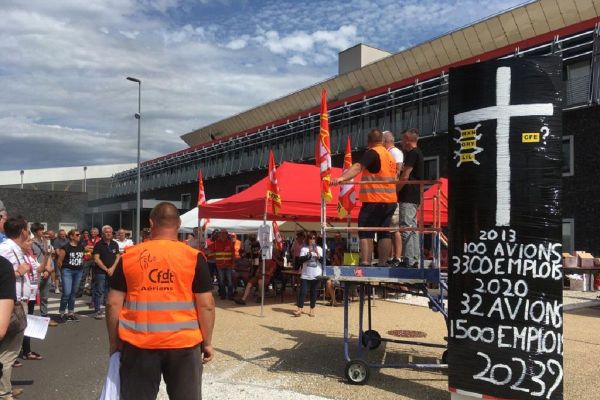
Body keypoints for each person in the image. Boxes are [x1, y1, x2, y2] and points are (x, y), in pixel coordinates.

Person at [106, 202, 215, 400]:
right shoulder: (194, 258)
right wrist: (207, 342)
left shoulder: (129, 257)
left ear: (151, 223)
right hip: (184, 344)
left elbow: (113, 303)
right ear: (179, 223)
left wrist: (114, 343)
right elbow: (206, 304)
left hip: (139, 344)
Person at [331, 128, 397, 266]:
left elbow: (357, 167)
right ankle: (383, 263)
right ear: (382, 140)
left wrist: (342, 178)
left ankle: (366, 261)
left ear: (369, 142)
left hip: (374, 199)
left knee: (365, 230)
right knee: (384, 232)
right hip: (390, 200)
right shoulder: (389, 156)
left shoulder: (373, 153)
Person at [0, 218, 31, 399]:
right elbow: (4, 274)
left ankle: (6, 387)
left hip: (16, 302)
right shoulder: (5, 248)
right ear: (22, 231)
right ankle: (3, 392)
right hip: (9, 304)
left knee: (10, 350)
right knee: (9, 351)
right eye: (27, 229)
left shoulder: (14, 248)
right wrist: (19, 272)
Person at [397, 128, 424, 268]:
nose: (401, 142)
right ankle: (414, 259)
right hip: (415, 195)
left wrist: (396, 189)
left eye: (402, 140)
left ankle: (409, 260)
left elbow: (406, 175)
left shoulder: (412, 154)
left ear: (408, 140)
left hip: (408, 195)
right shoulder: (418, 153)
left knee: (406, 227)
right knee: (412, 227)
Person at [19, 236, 45, 360]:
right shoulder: (19, 256)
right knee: (17, 324)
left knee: (27, 323)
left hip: (32, 293)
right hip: (22, 294)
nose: (31, 243)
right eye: (28, 241)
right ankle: (12, 354)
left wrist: (48, 256)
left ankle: (26, 351)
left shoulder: (30, 256)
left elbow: (41, 268)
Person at [383, 130, 404, 267]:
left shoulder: (395, 152)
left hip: (392, 195)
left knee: (395, 228)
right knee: (389, 228)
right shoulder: (388, 152)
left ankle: (397, 256)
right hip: (385, 194)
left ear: (386, 141)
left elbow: (397, 172)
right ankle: (391, 256)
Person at [29, 223, 57, 326]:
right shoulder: (30, 243)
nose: (43, 231)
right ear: (36, 231)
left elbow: (49, 255)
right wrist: (44, 268)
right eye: (41, 230)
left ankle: (44, 317)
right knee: (32, 297)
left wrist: (48, 269)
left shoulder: (47, 242)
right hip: (36, 272)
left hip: (46, 271)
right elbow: (32, 258)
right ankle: (29, 318)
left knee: (44, 297)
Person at [56, 230, 85, 323]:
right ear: (71, 237)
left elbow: (82, 257)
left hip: (78, 271)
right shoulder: (65, 247)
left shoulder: (81, 246)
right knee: (67, 293)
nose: (79, 236)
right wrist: (63, 271)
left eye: (79, 234)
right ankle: (61, 312)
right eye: (77, 234)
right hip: (67, 271)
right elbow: (59, 261)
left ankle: (71, 312)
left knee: (73, 293)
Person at [92, 226, 120, 320]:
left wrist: (112, 268)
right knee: (99, 291)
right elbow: (96, 259)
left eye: (110, 232)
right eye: (106, 232)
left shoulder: (115, 244)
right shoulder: (98, 244)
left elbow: (117, 257)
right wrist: (105, 269)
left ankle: (107, 308)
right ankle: (97, 310)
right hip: (100, 271)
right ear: (103, 234)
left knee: (109, 290)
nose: (108, 234)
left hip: (112, 271)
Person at [293, 232, 323, 317]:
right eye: (310, 238)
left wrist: (317, 254)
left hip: (316, 274)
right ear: (308, 239)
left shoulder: (320, 249)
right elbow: (300, 260)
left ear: (316, 240)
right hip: (305, 274)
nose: (312, 240)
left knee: (313, 292)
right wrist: (309, 254)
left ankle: (312, 309)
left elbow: (324, 261)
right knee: (303, 291)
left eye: (314, 238)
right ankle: (299, 309)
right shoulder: (304, 249)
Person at [207, 229, 235, 300]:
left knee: (229, 281)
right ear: (219, 235)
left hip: (228, 265)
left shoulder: (230, 243)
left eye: (224, 234)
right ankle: (223, 295)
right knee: (221, 280)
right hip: (219, 265)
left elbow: (233, 254)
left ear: (226, 235)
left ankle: (230, 295)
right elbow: (210, 252)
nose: (222, 235)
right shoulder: (215, 243)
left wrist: (233, 263)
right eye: (221, 234)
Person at [51, 229, 69, 294]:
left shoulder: (67, 240)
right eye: (61, 234)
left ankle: (65, 287)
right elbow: (57, 252)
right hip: (58, 259)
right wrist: (65, 256)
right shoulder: (56, 241)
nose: (63, 235)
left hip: (67, 260)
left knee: (66, 274)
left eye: (64, 234)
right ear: (59, 235)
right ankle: (56, 288)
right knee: (58, 274)